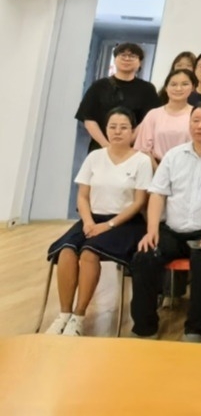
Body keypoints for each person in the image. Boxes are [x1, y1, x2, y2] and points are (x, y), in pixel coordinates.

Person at [129, 103, 201, 341]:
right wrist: (151, 230)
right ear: (189, 124)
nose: (200, 126)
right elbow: (157, 194)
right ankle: (145, 328)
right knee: (144, 257)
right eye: (196, 121)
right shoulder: (173, 155)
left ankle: (194, 330)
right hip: (172, 230)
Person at [45, 108, 152, 336]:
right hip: (92, 219)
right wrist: (87, 221)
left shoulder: (142, 161)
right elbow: (83, 196)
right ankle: (64, 314)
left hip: (125, 222)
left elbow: (139, 203)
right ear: (106, 129)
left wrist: (109, 225)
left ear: (133, 131)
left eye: (123, 127)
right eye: (112, 127)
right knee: (66, 250)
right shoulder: (94, 157)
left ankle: (79, 317)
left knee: (89, 252)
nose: (117, 132)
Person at [75, 43, 159, 152]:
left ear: (140, 62)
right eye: (122, 55)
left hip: (132, 148)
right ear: (115, 60)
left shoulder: (147, 89)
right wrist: (106, 145)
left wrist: (127, 142)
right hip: (101, 147)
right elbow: (89, 118)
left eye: (132, 56)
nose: (127, 59)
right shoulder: (99, 86)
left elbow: (149, 120)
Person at [133, 69, 195, 167]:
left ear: (193, 87)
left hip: (188, 168)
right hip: (155, 168)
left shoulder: (197, 114)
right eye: (173, 84)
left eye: (185, 84)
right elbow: (143, 149)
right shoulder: (153, 114)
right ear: (166, 88)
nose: (178, 88)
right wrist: (159, 171)